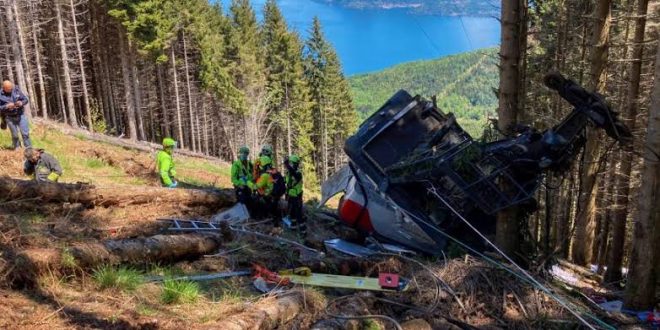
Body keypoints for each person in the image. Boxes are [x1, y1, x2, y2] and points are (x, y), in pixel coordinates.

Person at [249, 155, 285, 228]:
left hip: (269, 197)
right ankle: (274, 220)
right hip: (273, 197)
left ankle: (264, 220)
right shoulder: (272, 172)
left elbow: (256, 187)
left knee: (257, 202)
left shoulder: (265, 175)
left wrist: (247, 182)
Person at [0, 81, 31, 149]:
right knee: (15, 135)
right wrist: (6, 106)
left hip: (21, 115)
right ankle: (17, 149)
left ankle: (29, 149)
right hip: (9, 117)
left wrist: (21, 103)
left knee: (25, 134)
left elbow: (25, 100)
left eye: (11, 88)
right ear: (4, 88)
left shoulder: (16, 90)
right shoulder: (0, 95)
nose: (11, 90)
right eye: (9, 89)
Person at [284, 155, 306, 234]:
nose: (290, 164)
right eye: (290, 163)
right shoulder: (288, 173)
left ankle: (303, 232)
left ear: (295, 164)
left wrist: (287, 165)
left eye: (291, 163)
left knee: (298, 214)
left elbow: (295, 175)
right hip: (290, 196)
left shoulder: (298, 173)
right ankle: (293, 228)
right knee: (292, 213)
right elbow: (286, 182)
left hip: (297, 196)